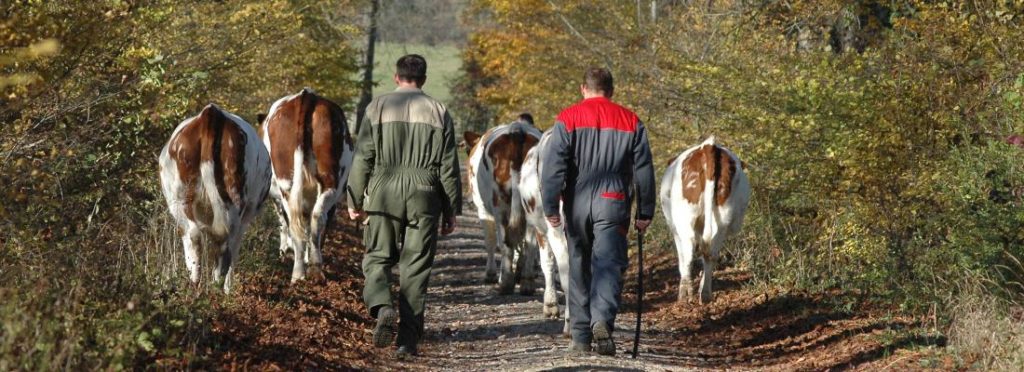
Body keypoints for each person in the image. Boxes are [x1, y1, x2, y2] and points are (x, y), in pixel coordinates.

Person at [347, 54, 461, 358]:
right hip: (425, 192)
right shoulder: (439, 111)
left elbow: (363, 158)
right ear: (423, 80)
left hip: (383, 190)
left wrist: (354, 198)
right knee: (416, 269)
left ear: (397, 78)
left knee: (377, 259)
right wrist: (451, 210)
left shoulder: (377, 107)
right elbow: (449, 167)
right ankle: (406, 342)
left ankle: (383, 306)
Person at [540, 67, 655, 356]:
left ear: (583, 89)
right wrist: (645, 210)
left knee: (578, 265)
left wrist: (551, 205)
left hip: (577, 203)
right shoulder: (631, 121)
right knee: (608, 265)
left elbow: (554, 167)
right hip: (613, 201)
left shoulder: (568, 118)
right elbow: (643, 170)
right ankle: (601, 319)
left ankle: (580, 337)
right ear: (611, 91)